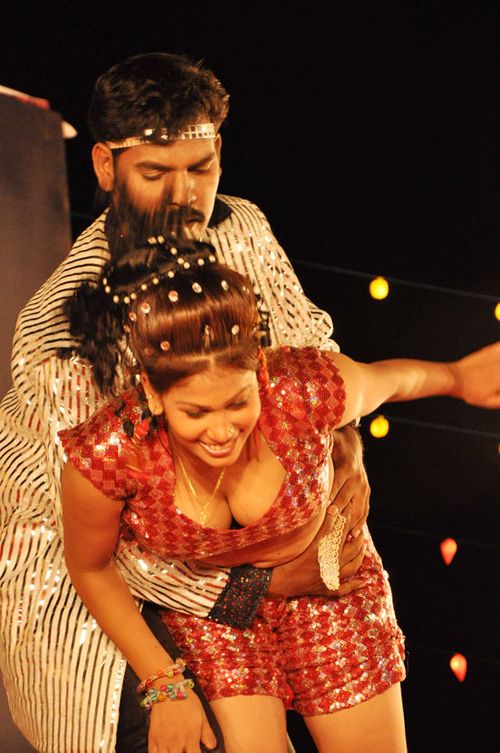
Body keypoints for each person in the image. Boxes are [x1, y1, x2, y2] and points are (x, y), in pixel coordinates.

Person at [0, 53, 368, 753]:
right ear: (105, 166)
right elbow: (98, 538)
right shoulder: (66, 330)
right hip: (92, 596)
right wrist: (258, 586)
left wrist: (347, 456)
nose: (182, 195)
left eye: (199, 168)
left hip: (246, 530)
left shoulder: (241, 226)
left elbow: (312, 353)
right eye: (154, 172)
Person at [59, 238, 500, 753]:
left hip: (329, 591)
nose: (221, 431)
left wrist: (458, 378)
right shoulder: (113, 451)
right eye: (196, 413)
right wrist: (164, 683)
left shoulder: (303, 389)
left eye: (237, 403)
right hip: (214, 616)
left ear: (260, 371)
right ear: (153, 394)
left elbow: (393, 381)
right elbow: (90, 567)